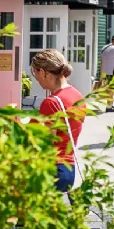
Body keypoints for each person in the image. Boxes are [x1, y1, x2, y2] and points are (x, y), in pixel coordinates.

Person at [31, 49, 86, 192]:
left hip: (52, 170)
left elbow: (43, 141)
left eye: (35, 73)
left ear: (43, 72)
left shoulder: (51, 103)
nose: (36, 78)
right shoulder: (77, 95)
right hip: (68, 168)